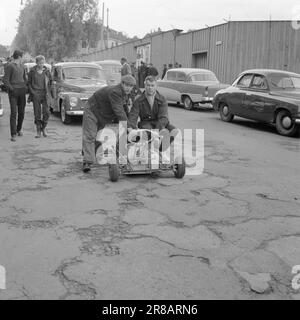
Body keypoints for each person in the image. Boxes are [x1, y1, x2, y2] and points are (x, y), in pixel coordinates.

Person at [82, 74, 136, 173]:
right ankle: (87, 161)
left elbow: (124, 110)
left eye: (131, 86)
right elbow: (119, 111)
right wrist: (128, 127)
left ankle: (88, 153)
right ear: (122, 84)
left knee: (100, 135)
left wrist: (131, 126)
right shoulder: (115, 92)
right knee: (90, 135)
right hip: (92, 109)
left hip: (104, 113)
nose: (129, 88)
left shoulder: (126, 94)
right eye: (127, 85)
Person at [128, 76, 178, 156]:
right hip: (146, 123)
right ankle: (150, 151)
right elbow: (133, 115)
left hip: (160, 123)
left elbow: (163, 117)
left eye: (152, 85)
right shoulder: (138, 100)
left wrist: (157, 130)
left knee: (174, 130)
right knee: (149, 133)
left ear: (156, 86)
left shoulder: (162, 99)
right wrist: (131, 128)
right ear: (145, 86)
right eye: (148, 85)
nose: (150, 88)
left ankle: (161, 150)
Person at [3, 50, 27, 142]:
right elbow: (5, 80)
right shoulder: (9, 66)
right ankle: (13, 134)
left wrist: (25, 86)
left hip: (22, 91)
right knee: (14, 113)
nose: (23, 58)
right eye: (23, 56)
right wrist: (11, 88)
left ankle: (18, 129)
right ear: (20, 57)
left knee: (22, 112)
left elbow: (25, 78)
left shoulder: (23, 66)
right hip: (13, 92)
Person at [27, 55, 52, 138]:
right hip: (36, 94)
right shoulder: (32, 71)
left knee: (47, 112)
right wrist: (32, 92)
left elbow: (50, 82)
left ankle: (43, 128)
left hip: (45, 94)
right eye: (39, 63)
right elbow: (29, 83)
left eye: (42, 63)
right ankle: (38, 131)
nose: (41, 64)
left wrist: (50, 92)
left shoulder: (47, 71)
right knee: (37, 113)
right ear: (36, 63)